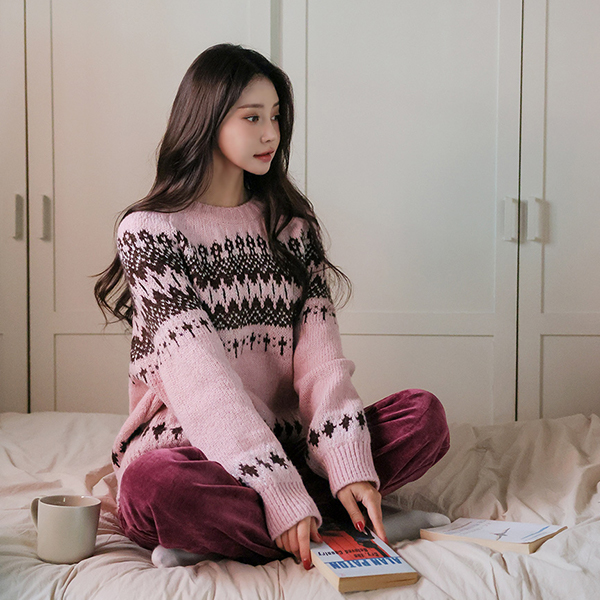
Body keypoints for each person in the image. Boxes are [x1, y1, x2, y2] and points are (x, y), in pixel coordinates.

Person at [94, 43, 450, 571]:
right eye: (252, 117)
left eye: (276, 117)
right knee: (153, 485)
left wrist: (348, 463)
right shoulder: (149, 233)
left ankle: (259, 527)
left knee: (423, 415)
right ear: (207, 119)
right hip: (196, 453)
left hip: (291, 450)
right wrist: (278, 487)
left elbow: (321, 364)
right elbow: (201, 380)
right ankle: (322, 518)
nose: (271, 134)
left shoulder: (291, 229)